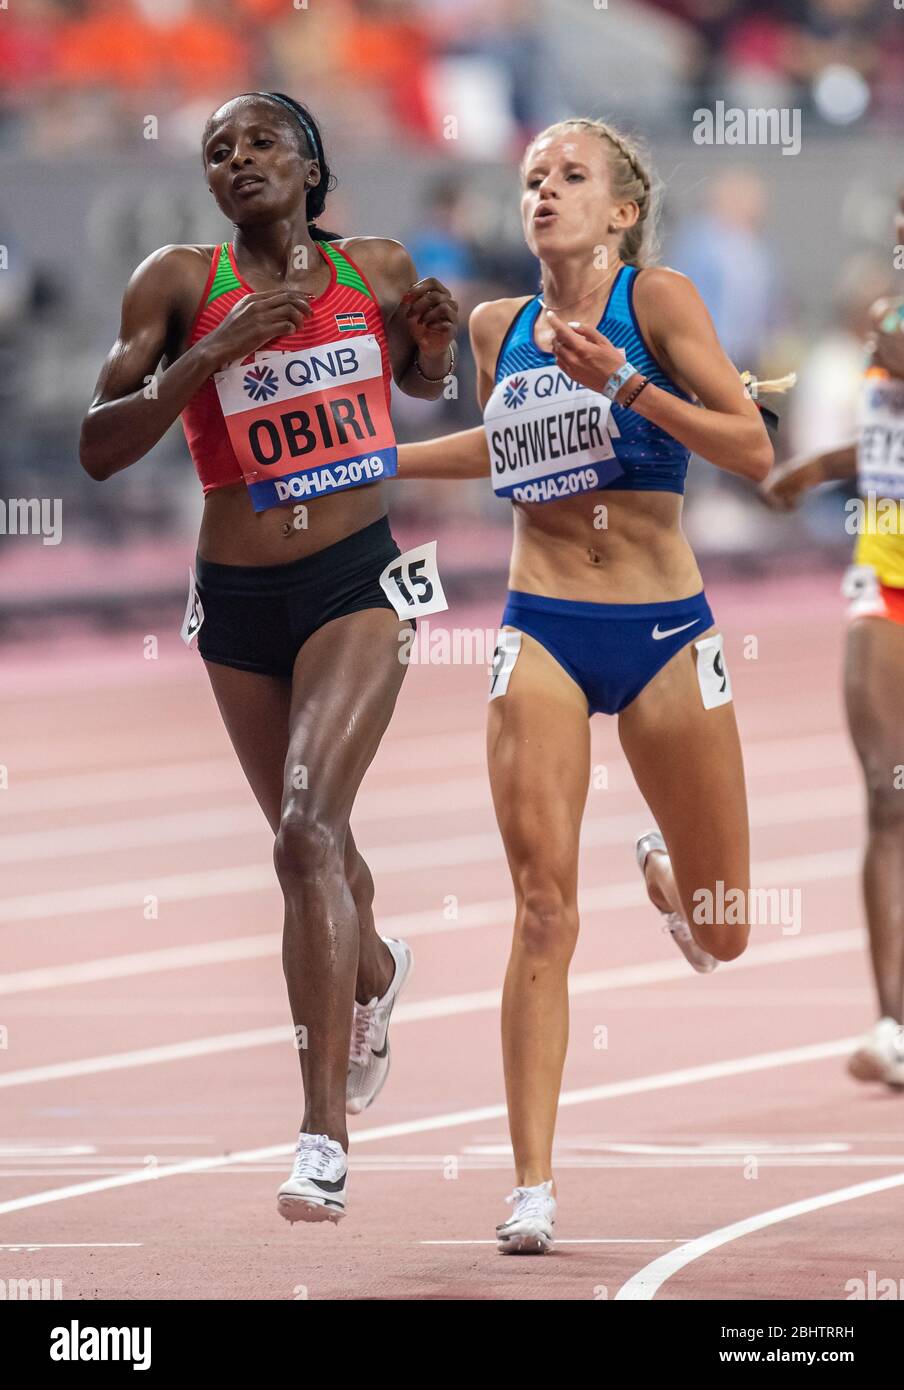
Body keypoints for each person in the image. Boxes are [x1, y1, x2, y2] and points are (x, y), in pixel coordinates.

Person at [79, 91, 458, 1224]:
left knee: (305, 828)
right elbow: (100, 445)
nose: (235, 160)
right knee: (310, 843)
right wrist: (210, 355)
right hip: (238, 595)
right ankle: (377, 969)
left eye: (260, 144)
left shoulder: (378, 268)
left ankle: (320, 1140)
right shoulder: (178, 282)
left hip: (359, 581)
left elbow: (422, 387)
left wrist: (431, 346)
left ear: (311, 165)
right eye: (216, 150)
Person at [396, 117, 774, 1252]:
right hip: (543, 624)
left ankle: (669, 881)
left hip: (662, 627)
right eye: (531, 178)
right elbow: (496, 450)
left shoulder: (658, 302)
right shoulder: (495, 325)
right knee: (544, 908)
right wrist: (370, 459)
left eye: (571, 177)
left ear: (620, 210)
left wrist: (628, 389)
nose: (544, 191)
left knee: (728, 927)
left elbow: (751, 448)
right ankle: (531, 1184)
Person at [763, 189, 904, 1091]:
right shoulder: (889, 316)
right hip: (885, 572)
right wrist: (820, 465)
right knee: (888, 798)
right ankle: (894, 1023)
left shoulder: (891, 322)